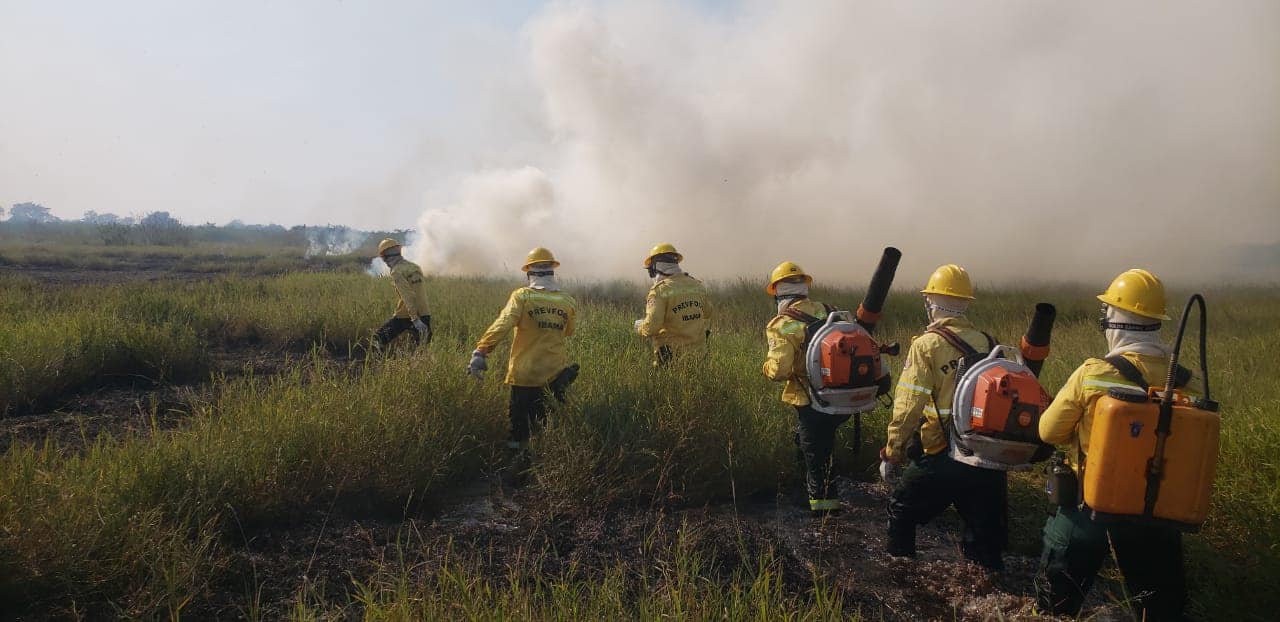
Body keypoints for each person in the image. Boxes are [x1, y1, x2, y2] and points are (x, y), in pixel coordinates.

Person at [1035, 268, 1191, 621]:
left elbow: (1047, 432)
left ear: (1116, 322)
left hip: (1089, 510)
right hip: (1156, 515)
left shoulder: (1092, 372)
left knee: (1053, 607)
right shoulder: (1183, 381)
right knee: (1159, 610)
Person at [878, 264, 1007, 570]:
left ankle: (902, 578)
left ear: (932, 304)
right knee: (984, 541)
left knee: (901, 509)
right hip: (987, 458)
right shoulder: (989, 343)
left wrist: (893, 452)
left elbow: (909, 406)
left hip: (942, 454)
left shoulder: (926, 345)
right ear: (965, 304)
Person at [468, 247, 579, 474]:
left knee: (519, 428)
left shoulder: (523, 296)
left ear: (529, 273)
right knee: (545, 424)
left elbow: (504, 323)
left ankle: (515, 471)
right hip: (555, 375)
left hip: (525, 375)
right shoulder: (568, 301)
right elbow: (568, 331)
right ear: (552, 271)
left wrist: (482, 350)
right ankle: (546, 469)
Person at [761, 261, 847, 514]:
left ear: (777, 292)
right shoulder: (830, 311)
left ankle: (824, 513)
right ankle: (807, 493)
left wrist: (765, 367)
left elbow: (780, 371)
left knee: (816, 456)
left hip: (811, 400)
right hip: (843, 398)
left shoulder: (782, 324)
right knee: (814, 445)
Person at [634, 243, 712, 365]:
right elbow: (708, 312)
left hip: (672, 359)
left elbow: (652, 327)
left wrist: (640, 327)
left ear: (655, 267)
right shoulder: (696, 285)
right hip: (700, 357)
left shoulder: (659, 291)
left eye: (651, 271)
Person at [371, 238, 432, 348]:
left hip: (407, 315)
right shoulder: (415, 267)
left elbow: (408, 296)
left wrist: (415, 319)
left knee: (378, 338)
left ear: (385, 257)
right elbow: (418, 291)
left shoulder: (397, 271)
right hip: (425, 313)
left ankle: (376, 363)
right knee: (422, 350)